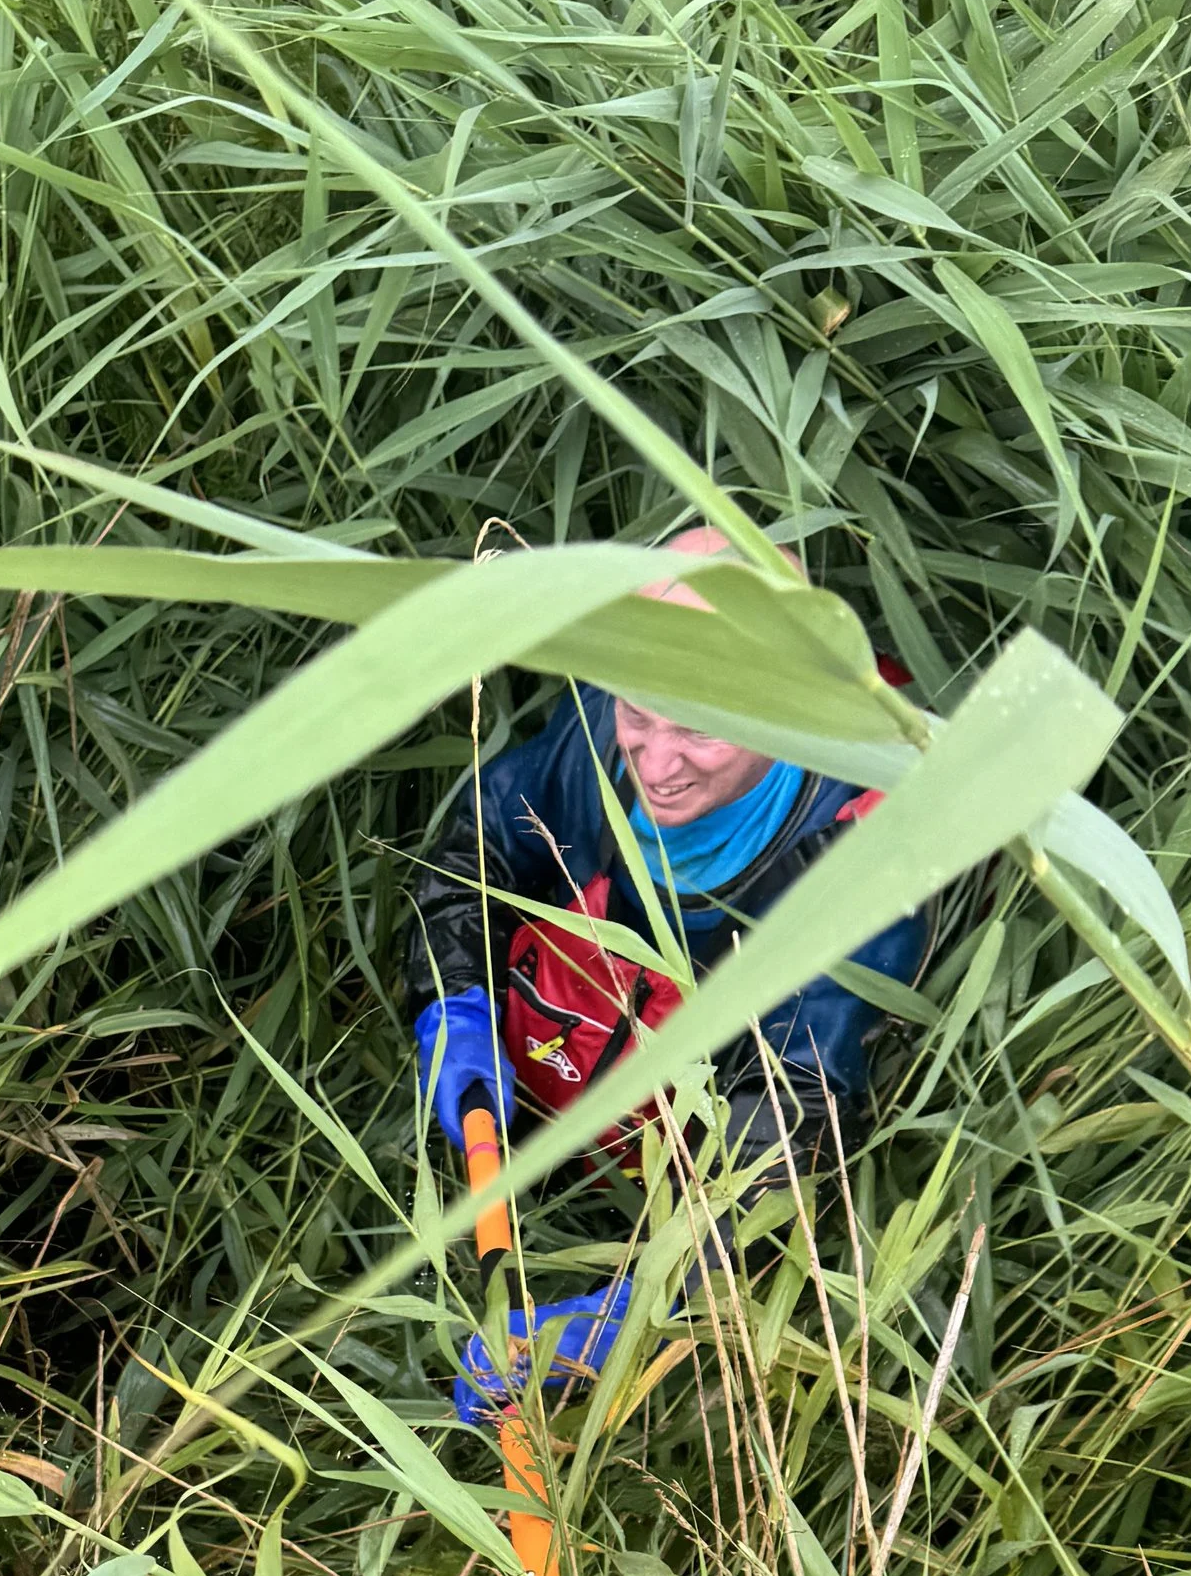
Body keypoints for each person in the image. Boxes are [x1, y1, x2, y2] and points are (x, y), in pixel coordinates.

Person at [407, 527, 970, 1421]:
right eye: (640, 714)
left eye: (701, 729)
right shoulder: (611, 722)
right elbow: (475, 851)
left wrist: (634, 1313)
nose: (657, 765)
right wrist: (455, 1005)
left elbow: (791, 1127)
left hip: (698, 1138)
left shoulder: (862, 864)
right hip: (574, 1069)